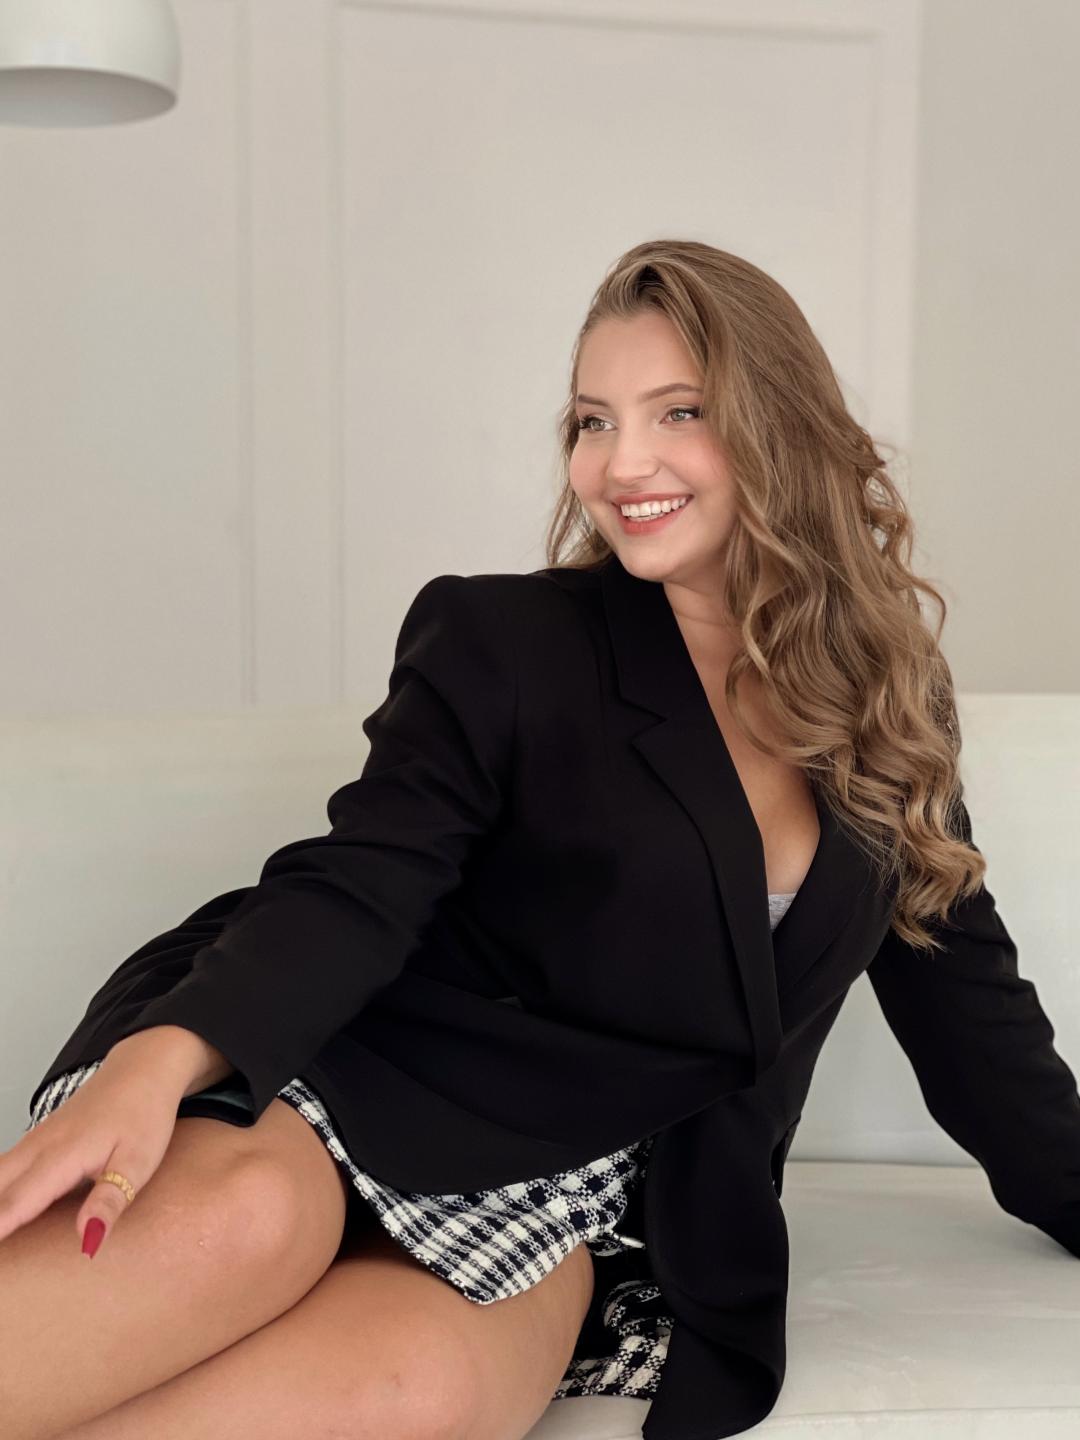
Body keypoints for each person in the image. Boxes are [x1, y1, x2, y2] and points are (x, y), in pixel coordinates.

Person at [3, 239, 1079, 1440]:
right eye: (592, 421)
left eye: (679, 412)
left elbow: (971, 1014)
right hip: (367, 1062)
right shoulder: (508, 640)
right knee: (238, 1220)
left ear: (780, 426)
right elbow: (360, 881)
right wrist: (162, 1061)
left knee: (411, 1397)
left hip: (581, 1184)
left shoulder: (887, 704)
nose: (622, 463)